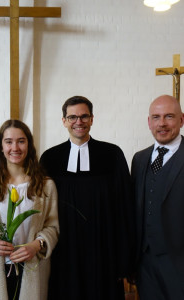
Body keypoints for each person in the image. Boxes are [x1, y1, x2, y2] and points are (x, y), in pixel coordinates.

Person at [40, 96, 135, 300]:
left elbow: (125, 208)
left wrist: (124, 259)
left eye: (84, 116)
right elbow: (42, 209)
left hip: (104, 249)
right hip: (64, 249)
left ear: (92, 119)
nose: (78, 122)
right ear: (64, 121)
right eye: (72, 117)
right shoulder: (50, 158)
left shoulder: (112, 154)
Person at [0, 119, 59, 300]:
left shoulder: (45, 185)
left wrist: (36, 245)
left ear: (29, 144)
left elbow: (52, 226)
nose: (15, 147)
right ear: (1, 146)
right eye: (9, 142)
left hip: (32, 266)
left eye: (21, 141)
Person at [131, 95, 184, 300]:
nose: (162, 123)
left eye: (169, 116)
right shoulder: (139, 159)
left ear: (181, 120)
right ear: (149, 122)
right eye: (156, 117)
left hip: (180, 262)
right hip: (145, 264)